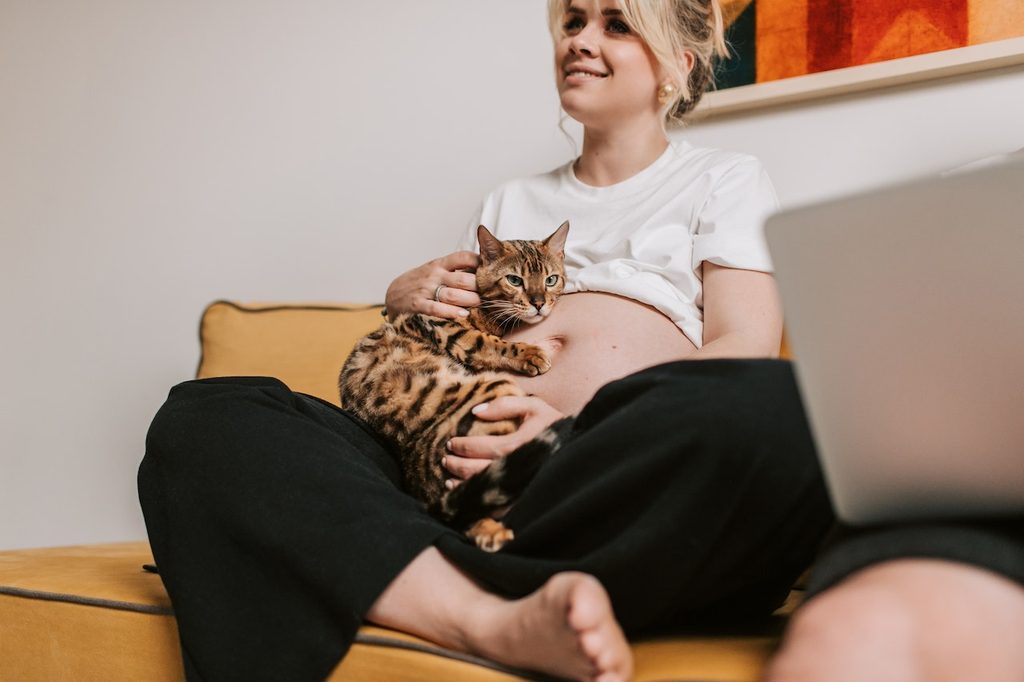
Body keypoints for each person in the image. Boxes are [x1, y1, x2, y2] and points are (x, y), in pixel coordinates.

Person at [138, 1, 1024, 681]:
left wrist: (568, 421)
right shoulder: (509, 202)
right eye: (571, 20)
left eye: (614, 23)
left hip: (607, 469)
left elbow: (743, 352)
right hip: (460, 478)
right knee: (210, 418)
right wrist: (401, 299)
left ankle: (378, 561)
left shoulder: (724, 179)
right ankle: (482, 615)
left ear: (676, 61)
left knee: (778, 407)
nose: (580, 37)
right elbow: (436, 353)